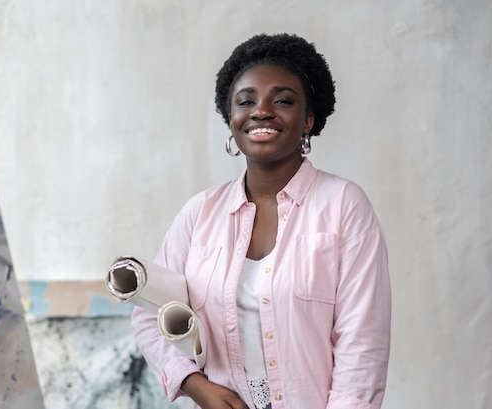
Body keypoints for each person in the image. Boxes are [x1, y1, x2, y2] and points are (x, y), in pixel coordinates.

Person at [131, 33, 391, 409]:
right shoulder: (200, 213)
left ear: (308, 120)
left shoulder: (344, 205)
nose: (261, 111)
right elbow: (148, 314)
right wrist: (194, 384)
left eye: (282, 100)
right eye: (246, 101)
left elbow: (362, 343)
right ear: (231, 118)